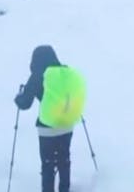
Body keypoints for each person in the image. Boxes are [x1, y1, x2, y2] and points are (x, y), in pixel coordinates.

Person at [14, 45, 86, 192]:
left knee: (48, 164)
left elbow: (25, 103)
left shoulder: (38, 75)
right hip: (67, 124)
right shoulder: (66, 72)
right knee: (64, 160)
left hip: (47, 128)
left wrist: (19, 96)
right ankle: (64, 189)